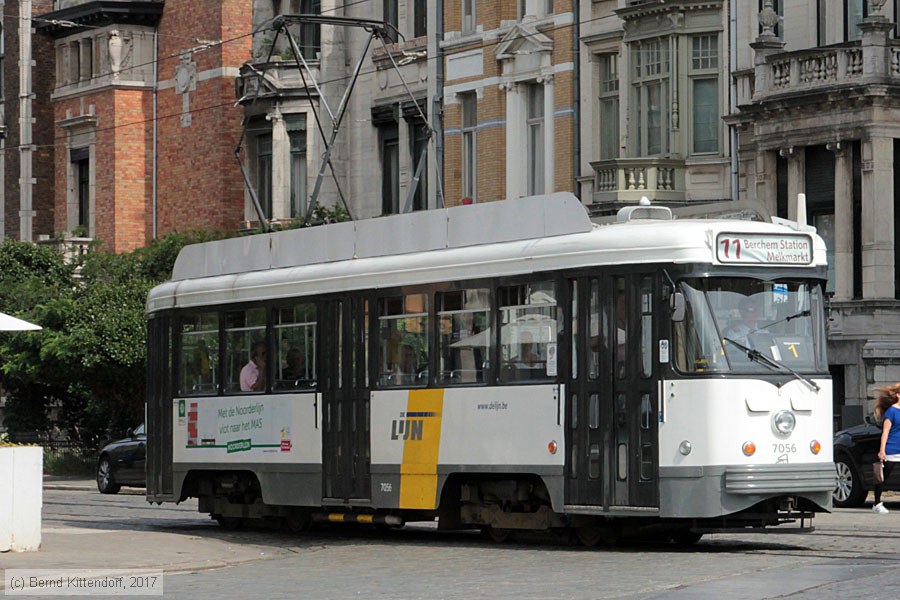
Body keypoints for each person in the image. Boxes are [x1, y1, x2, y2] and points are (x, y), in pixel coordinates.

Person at [872, 383, 900, 513]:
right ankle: (877, 503)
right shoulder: (891, 412)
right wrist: (882, 450)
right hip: (892, 449)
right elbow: (885, 432)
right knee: (883, 477)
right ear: (898, 395)